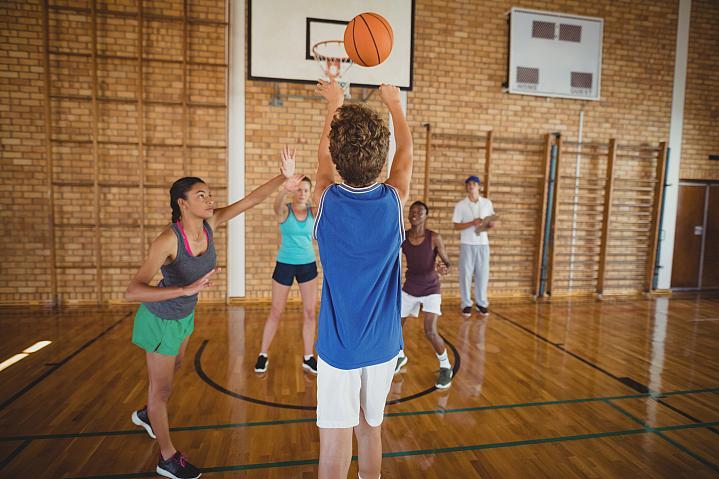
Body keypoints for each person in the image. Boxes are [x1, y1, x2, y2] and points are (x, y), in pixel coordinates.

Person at [125, 152, 297, 479]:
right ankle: (167, 457)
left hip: (183, 318)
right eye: (200, 195)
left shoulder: (210, 223)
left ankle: (149, 414)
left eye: (209, 193)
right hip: (160, 319)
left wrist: (283, 179)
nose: (209, 198)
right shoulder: (167, 240)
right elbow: (133, 290)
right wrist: (184, 290)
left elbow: (251, 200)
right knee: (161, 391)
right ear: (182, 204)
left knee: (173, 371)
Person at [313, 78, 413, 479]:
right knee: (371, 429)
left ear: (338, 159)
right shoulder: (394, 202)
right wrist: (394, 105)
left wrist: (333, 104)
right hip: (384, 345)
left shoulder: (325, 200)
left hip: (340, 347)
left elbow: (322, 157)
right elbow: (405, 152)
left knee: (335, 444)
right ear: (381, 157)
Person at [255, 148, 318, 374]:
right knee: (276, 311)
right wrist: (284, 187)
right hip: (285, 264)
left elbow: (325, 199)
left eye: (305, 190)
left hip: (307, 265)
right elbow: (275, 205)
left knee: (310, 312)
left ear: (309, 193)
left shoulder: (314, 211)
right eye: (298, 189)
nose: (301, 193)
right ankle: (263, 354)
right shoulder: (285, 210)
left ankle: (308, 356)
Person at [394, 200, 453, 389]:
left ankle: (445, 366)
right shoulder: (403, 236)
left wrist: (444, 268)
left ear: (426, 216)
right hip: (410, 287)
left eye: (420, 211)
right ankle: (400, 356)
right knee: (395, 327)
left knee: (430, 331)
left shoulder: (434, 237)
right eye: (412, 211)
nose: (415, 214)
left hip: (430, 289)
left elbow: (447, 263)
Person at [452, 175, 496, 318]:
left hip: (483, 243)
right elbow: (456, 225)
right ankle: (466, 304)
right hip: (467, 243)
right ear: (467, 187)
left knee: (483, 274)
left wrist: (490, 225)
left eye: (474, 184)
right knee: (466, 275)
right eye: (469, 184)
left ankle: (482, 303)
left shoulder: (487, 203)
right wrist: (472, 223)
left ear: (478, 186)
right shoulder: (461, 205)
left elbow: (491, 221)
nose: (471, 186)